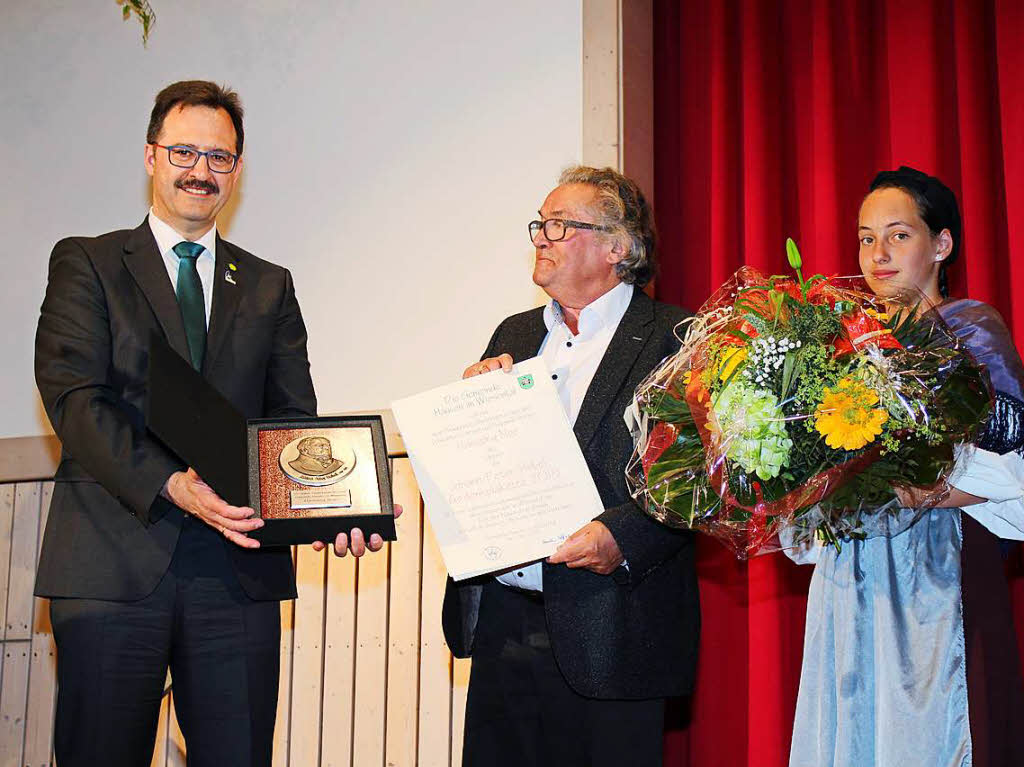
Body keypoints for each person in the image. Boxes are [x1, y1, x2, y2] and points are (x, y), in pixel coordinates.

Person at [33, 80, 381, 767]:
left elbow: (292, 424)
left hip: (236, 573)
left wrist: (330, 508)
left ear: (238, 170)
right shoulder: (89, 262)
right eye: (184, 152)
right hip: (111, 564)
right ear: (150, 156)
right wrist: (171, 483)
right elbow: (75, 398)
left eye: (219, 158)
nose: (200, 171)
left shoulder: (268, 284)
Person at [443, 166, 700, 767]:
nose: (541, 237)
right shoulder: (515, 331)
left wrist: (624, 537)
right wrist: (472, 412)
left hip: (612, 627)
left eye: (560, 225)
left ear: (618, 247)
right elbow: (482, 470)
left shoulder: (675, 337)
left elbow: (699, 478)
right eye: (540, 224)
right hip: (504, 625)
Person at [787, 166, 1024, 767]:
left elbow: (1014, 460)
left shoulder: (972, 331)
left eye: (898, 235)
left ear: (941, 245)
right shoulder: (838, 345)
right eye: (866, 238)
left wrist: (931, 489)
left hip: (941, 575)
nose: (878, 254)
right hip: (850, 577)